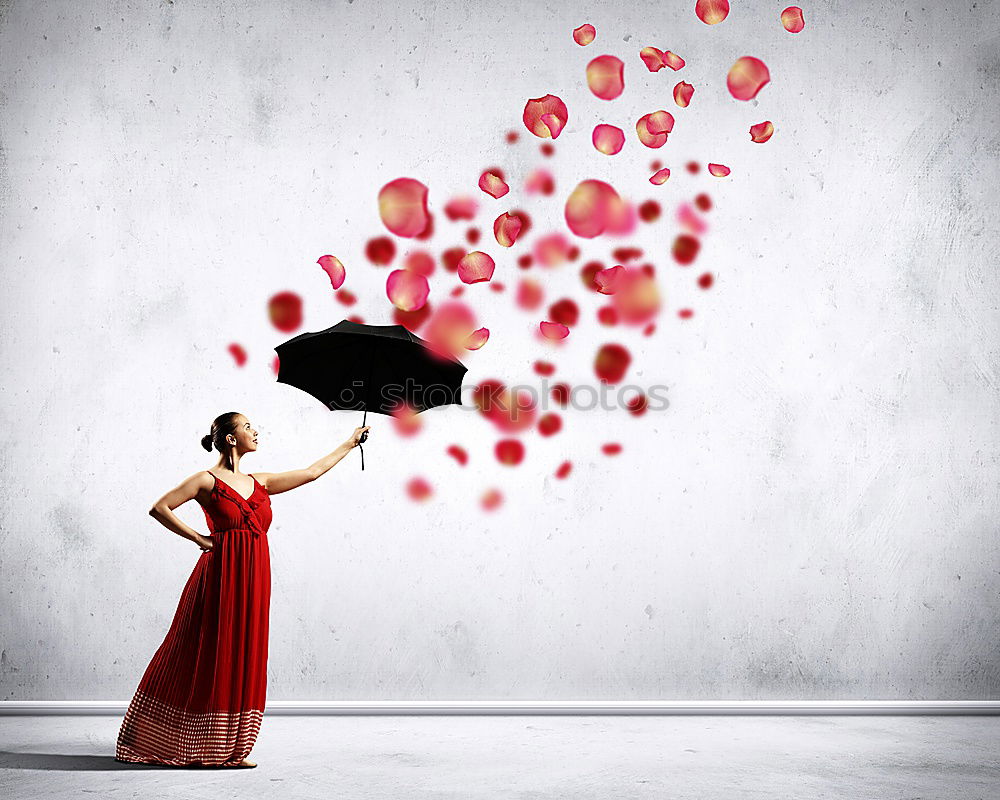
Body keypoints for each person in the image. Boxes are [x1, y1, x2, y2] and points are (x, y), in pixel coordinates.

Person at [115, 411, 371, 768]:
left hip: (254, 576)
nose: (256, 431)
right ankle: (181, 740)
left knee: (244, 650)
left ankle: (232, 747)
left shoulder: (260, 481)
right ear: (231, 438)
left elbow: (311, 472)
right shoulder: (205, 480)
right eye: (248, 426)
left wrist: (349, 443)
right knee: (209, 650)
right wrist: (199, 538)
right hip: (220, 575)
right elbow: (160, 508)